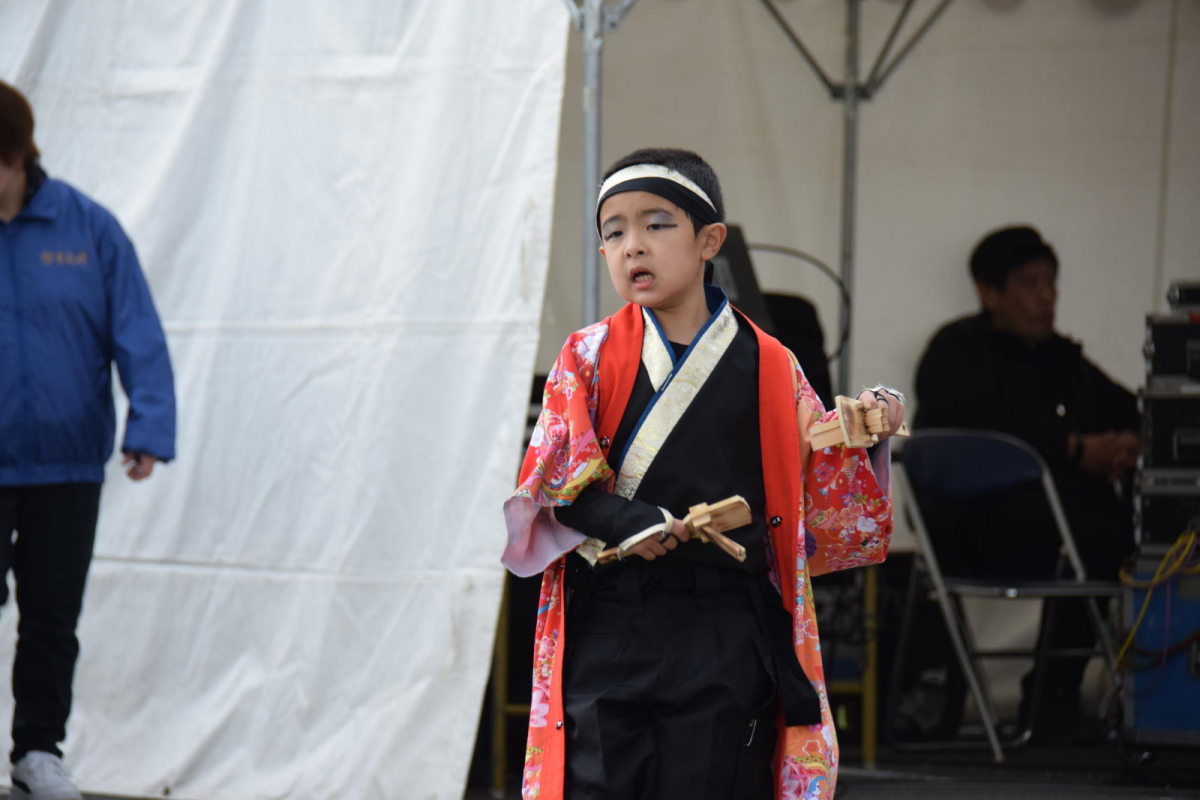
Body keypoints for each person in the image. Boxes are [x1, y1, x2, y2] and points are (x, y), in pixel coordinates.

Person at [502, 147, 905, 800]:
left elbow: (814, 481)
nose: (634, 246)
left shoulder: (771, 363)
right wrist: (630, 523)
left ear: (709, 240)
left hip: (723, 626)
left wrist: (863, 431)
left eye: (657, 224)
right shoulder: (587, 356)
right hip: (612, 622)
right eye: (614, 232)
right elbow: (554, 486)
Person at [0, 81, 176, 800]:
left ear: (13, 156)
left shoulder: (87, 229)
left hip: (67, 468)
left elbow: (137, 329)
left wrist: (150, 427)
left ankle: (36, 752)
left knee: (51, 620)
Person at [901, 225, 1138, 738]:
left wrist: (1126, 444)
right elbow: (977, 419)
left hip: (1066, 528)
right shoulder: (957, 351)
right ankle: (1048, 696)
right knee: (1094, 531)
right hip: (975, 529)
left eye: (1051, 284)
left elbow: (1129, 408)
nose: (1045, 298)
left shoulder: (1063, 360)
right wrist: (1074, 448)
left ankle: (1054, 695)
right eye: (1030, 284)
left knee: (1120, 537)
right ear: (989, 292)